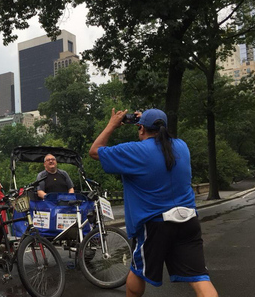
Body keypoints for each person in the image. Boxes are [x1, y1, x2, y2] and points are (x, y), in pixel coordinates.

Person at [89, 108, 218, 297]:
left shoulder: (135, 151)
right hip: (188, 221)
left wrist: (112, 124)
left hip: (156, 225)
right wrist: (149, 119)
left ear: (141, 128)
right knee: (199, 278)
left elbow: (94, 151)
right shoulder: (182, 146)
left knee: (137, 272)